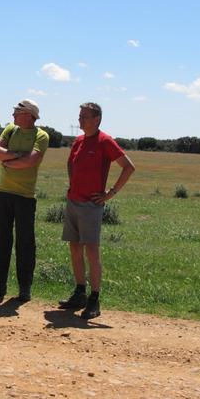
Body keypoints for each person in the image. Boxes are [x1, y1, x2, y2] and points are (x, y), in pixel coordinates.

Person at [59, 102, 135, 319]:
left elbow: (129, 167)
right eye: (80, 115)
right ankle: (79, 292)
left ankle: (94, 299)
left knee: (91, 251)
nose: (80, 120)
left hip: (91, 206)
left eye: (84, 116)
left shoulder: (105, 141)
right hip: (73, 202)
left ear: (97, 119)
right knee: (74, 248)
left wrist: (110, 193)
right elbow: (70, 163)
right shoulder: (79, 140)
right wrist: (72, 184)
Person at [0, 99, 49, 303]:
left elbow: (32, 160)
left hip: (25, 197)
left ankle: (24, 288)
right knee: (0, 240)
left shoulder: (41, 136)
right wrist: (16, 156)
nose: (12, 116)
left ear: (29, 115)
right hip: (3, 193)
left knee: (25, 243)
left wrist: (8, 160)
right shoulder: (10, 129)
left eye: (16, 112)